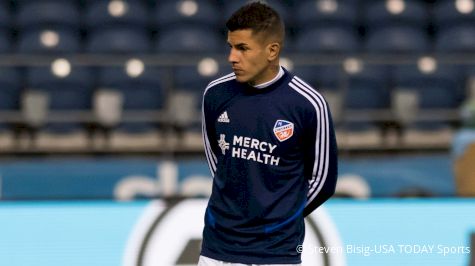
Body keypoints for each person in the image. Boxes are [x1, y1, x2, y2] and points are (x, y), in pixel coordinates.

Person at [199, 2, 338, 265]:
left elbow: (323, 181)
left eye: (242, 48)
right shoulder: (215, 94)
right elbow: (219, 163)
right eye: (231, 46)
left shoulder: (308, 104)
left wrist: (280, 217)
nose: (232, 57)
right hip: (217, 249)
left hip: (277, 252)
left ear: (272, 51)